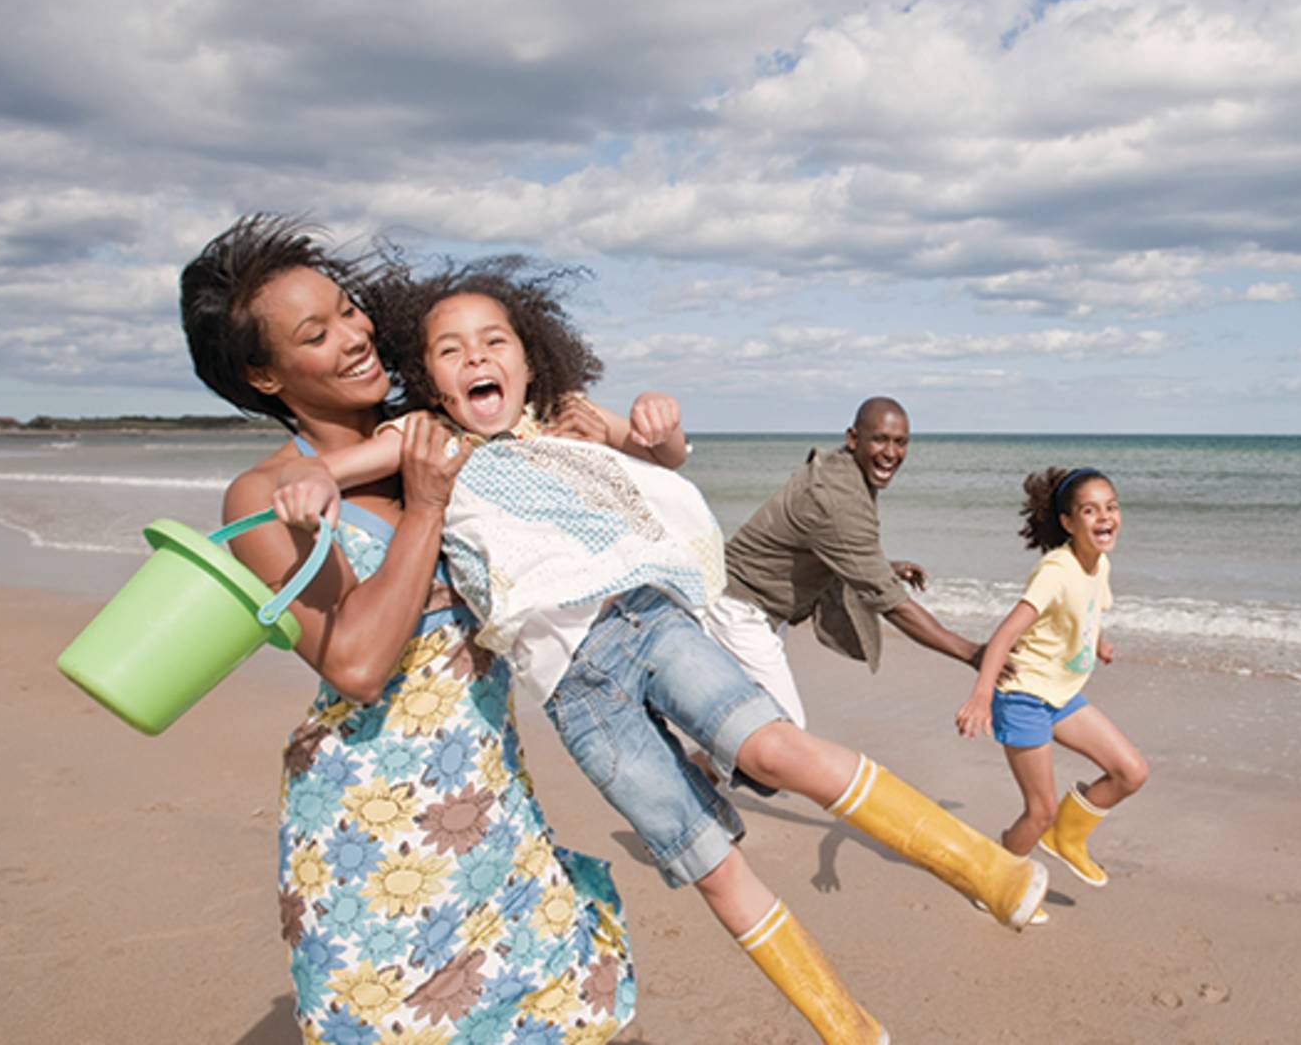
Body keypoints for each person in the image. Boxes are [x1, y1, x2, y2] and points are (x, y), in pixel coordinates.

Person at [276, 258, 1049, 1045]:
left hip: (647, 619)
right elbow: (331, 469)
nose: (477, 358)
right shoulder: (428, 439)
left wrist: (659, 422)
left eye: (494, 340)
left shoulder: (562, 415)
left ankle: (987, 870)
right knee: (710, 863)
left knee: (777, 749)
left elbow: (662, 457)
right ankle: (846, 1027)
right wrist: (311, 486)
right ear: (431, 380)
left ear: (528, 357)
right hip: (577, 693)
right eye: (450, 350)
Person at [180, 216, 633, 1043]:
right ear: (264, 376)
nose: (355, 337)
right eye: (316, 335)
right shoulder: (265, 496)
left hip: (493, 803)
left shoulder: (448, 436)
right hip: (375, 833)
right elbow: (353, 662)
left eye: (349, 311)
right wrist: (424, 507)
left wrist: (598, 441)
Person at [698, 397, 991, 734]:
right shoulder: (838, 497)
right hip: (739, 609)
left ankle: (696, 774)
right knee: (783, 733)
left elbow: (829, 545)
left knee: (756, 727)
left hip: (759, 609)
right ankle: (692, 772)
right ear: (854, 439)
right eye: (880, 439)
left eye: (901, 442)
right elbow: (893, 604)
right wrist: (971, 653)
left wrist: (885, 566)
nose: (891, 453)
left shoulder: (843, 469)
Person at [955, 467, 1149, 895]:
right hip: (1024, 698)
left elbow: (1090, 608)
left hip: (1061, 695)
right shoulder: (1055, 571)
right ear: (1067, 522)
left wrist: (1097, 643)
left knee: (1131, 772)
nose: (1105, 518)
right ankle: (992, 882)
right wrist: (982, 697)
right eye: (1090, 510)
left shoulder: (1100, 565)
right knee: (1040, 810)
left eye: (1112, 507)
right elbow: (1005, 634)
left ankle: (1068, 837)